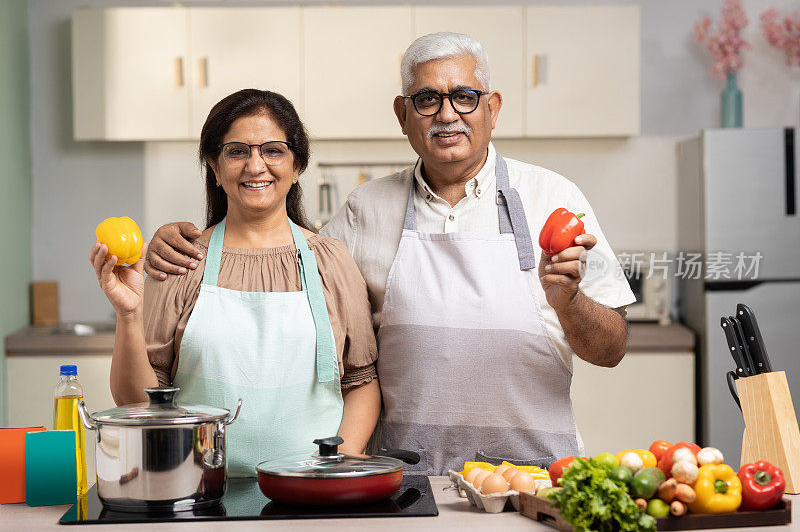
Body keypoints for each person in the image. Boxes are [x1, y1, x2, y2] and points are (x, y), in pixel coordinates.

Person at [144, 33, 635, 475]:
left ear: (493, 107)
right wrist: (187, 241)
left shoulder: (556, 197)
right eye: (427, 100)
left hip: (532, 473)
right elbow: (282, 261)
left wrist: (569, 303)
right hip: (403, 472)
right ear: (402, 114)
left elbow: (611, 350)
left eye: (465, 96)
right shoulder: (366, 208)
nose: (447, 114)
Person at [90, 89, 380, 476]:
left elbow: (361, 382)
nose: (255, 166)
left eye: (273, 150)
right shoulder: (181, 260)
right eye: (237, 151)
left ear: (296, 167)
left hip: (313, 494)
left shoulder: (332, 260)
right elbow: (139, 404)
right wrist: (129, 315)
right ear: (214, 165)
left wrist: (339, 461)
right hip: (200, 492)